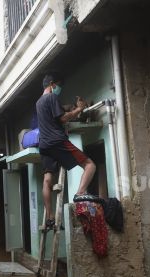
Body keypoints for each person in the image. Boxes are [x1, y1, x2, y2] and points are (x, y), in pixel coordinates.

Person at [36, 74, 97, 230]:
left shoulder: (39, 102)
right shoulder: (51, 98)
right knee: (90, 165)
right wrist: (79, 109)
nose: (59, 88)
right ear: (52, 84)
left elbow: (56, 114)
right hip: (57, 141)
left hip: (44, 145)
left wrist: (68, 107)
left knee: (47, 180)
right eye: (58, 85)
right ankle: (80, 193)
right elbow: (63, 118)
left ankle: (49, 218)